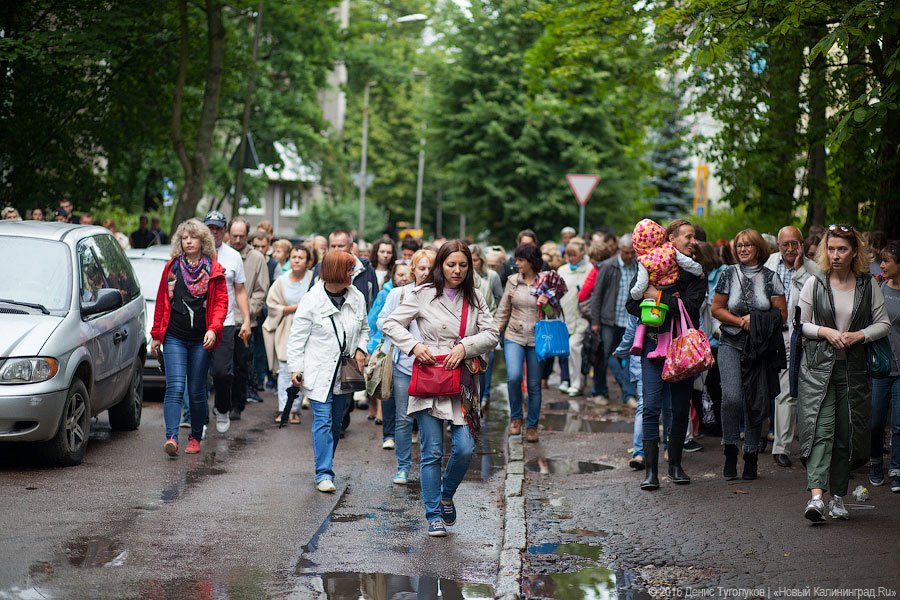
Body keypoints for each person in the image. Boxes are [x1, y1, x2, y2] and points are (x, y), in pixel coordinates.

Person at [382, 241, 499, 537]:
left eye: (462, 265)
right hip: (430, 377)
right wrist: (414, 345)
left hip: (462, 382)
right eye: (451, 264)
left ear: (470, 267)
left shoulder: (475, 297)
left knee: (465, 448)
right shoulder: (421, 294)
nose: (457, 270)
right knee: (432, 451)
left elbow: (492, 333)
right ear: (440, 266)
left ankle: (446, 494)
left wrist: (465, 346)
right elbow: (390, 323)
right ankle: (433, 513)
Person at [798, 224, 890, 522]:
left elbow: (883, 323)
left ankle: (837, 497)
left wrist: (859, 335)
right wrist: (825, 331)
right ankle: (816, 499)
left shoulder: (867, 284)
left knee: (845, 435)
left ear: (854, 253)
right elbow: (802, 324)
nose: (835, 255)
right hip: (817, 370)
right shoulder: (815, 282)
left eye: (842, 249)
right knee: (820, 431)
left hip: (854, 370)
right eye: (831, 248)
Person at [626, 219, 707, 490]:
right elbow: (631, 303)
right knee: (650, 406)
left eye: (694, 237)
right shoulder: (649, 263)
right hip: (652, 344)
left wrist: (657, 295)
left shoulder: (695, 274)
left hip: (681, 346)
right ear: (671, 239)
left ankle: (675, 465)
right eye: (688, 236)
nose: (693, 241)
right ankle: (651, 472)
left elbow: (692, 310)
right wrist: (667, 301)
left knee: (679, 408)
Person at [289, 251, 369, 493]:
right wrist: (296, 368)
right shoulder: (312, 300)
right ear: (336, 271)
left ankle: (325, 464)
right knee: (323, 422)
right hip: (318, 372)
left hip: (345, 373)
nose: (353, 274)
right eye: (349, 269)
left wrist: (361, 349)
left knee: (336, 425)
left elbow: (364, 328)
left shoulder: (357, 297)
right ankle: (323, 472)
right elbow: (297, 338)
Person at [711, 229, 787, 480]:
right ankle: (731, 450)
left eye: (748, 245)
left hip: (760, 349)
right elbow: (716, 309)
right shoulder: (727, 274)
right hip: (731, 343)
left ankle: (752, 454)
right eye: (739, 245)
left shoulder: (771, 278)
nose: (743, 249)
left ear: (759, 248)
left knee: (755, 400)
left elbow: (782, 315)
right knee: (731, 397)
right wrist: (741, 322)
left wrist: (756, 320)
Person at [150, 219, 228, 457]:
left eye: (193, 237)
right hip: (175, 336)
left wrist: (214, 329)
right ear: (180, 242)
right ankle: (172, 437)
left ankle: (195, 436)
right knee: (174, 386)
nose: (189, 241)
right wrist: (156, 335)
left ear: (202, 240)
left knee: (196, 390)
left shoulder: (214, 270)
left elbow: (221, 304)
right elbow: (162, 301)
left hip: (202, 339)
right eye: (185, 238)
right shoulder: (172, 267)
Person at [378, 249, 436, 486]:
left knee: (429, 418)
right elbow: (382, 321)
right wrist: (404, 322)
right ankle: (402, 467)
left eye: (430, 269)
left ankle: (428, 467)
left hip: (432, 367)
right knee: (403, 418)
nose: (426, 273)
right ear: (413, 270)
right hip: (404, 365)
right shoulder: (398, 294)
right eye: (421, 268)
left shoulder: (440, 296)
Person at [765, 226, 819, 468]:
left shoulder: (813, 270)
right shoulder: (769, 264)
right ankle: (772, 443)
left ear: (802, 245)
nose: (789, 249)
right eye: (785, 244)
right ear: (778, 245)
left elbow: (807, 300)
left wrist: (798, 270)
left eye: (794, 244)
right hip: (773, 337)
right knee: (776, 390)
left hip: (800, 337)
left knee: (799, 393)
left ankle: (794, 447)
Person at [495, 243, 561, 443]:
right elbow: (503, 309)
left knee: (534, 384)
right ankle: (516, 419)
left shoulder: (545, 281)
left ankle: (532, 425)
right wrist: (494, 331)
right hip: (513, 335)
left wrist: (547, 303)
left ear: (532, 261)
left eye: (521, 260)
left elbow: (554, 313)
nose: (517, 263)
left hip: (536, 339)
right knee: (514, 377)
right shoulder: (512, 281)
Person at [203, 210, 252, 434]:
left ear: (225, 231)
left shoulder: (233, 256)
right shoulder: (196, 253)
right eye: (210, 228)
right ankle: (199, 420)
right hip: (198, 324)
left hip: (225, 322)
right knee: (197, 374)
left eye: (218, 228)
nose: (214, 232)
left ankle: (222, 408)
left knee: (222, 372)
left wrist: (247, 320)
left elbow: (240, 291)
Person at [263, 245, 312, 425]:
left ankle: (295, 410)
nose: (297, 260)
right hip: (286, 328)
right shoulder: (281, 281)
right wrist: (294, 308)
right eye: (293, 257)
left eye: (301, 257)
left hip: (308, 329)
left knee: (301, 369)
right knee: (285, 369)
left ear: (308, 261)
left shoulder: (312, 279)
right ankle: (284, 409)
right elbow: (272, 305)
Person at [227, 218, 270, 416]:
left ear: (247, 235)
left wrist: (247, 311)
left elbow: (262, 291)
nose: (237, 239)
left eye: (241, 236)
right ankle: (222, 402)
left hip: (244, 322)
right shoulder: (218, 254)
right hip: (220, 320)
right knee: (220, 367)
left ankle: (237, 404)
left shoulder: (257, 259)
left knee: (240, 365)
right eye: (234, 235)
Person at [589, 234, 639, 407]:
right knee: (604, 355)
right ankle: (600, 391)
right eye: (626, 253)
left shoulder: (638, 267)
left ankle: (628, 393)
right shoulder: (608, 266)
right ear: (619, 250)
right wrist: (595, 321)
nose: (629, 256)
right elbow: (597, 295)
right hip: (609, 320)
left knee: (630, 357)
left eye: (632, 253)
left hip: (630, 321)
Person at [367, 260, 411, 447]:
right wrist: (371, 347)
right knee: (388, 391)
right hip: (388, 349)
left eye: (407, 274)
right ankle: (389, 435)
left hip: (410, 355)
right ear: (393, 276)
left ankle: (411, 431)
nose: (404, 278)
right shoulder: (387, 293)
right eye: (400, 274)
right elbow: (374, 320)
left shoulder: (418, 295)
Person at [870, 241, 900, 491]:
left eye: (887, 261)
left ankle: (896, 468)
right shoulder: (878, 287)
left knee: (899, 424)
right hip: (881, 367)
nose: (881, 265)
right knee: (876, 421)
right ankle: (876, 463)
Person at [557, 239, 591, 397]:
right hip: (565, 316)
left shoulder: (589, 269)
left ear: (582, 254)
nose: (570, 258)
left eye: (574, 255)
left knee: (574, 347)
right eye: (568, 255)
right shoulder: (562, 270)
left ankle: (576, 383)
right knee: (568, 350)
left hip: (583, 317)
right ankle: (575, 380)